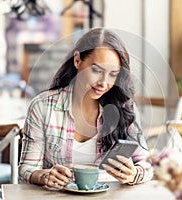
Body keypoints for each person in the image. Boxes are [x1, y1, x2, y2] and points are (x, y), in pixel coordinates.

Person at [18, 28, 153, 189]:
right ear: (77, 60)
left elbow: (147, 164)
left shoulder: (124, 107)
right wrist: (44, 175)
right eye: (96, 70)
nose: (104, 82)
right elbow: (26, 169)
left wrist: (135, 174)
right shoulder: (43, 107)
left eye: (113, 74)